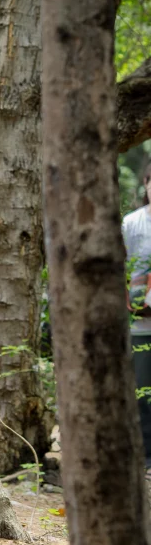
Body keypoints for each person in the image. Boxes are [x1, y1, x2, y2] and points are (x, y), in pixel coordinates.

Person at [122, 162, 151, 480]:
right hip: (139, 323)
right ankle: (145, 456)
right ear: (145, 184)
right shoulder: (131, 224)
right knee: (142, 391)